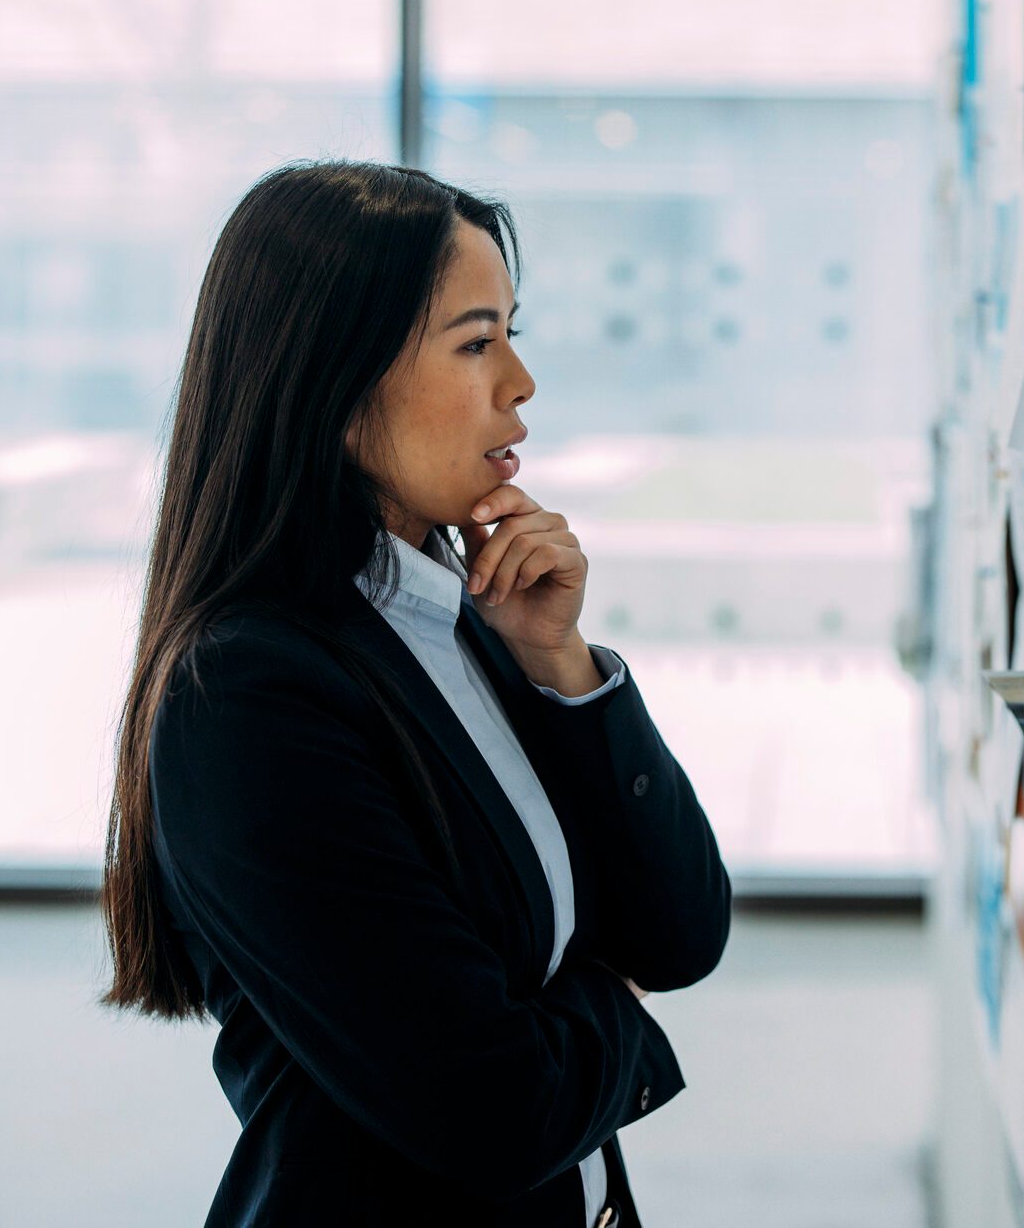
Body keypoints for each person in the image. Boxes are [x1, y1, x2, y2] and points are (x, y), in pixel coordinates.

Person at [97, 159, 733, 1226]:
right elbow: (494, 1111)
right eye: (477, 342)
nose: (520, 383)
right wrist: (608, 1006)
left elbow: (679, 931)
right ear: (335, 381)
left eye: (512, 334)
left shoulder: (457, 614)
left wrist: (561, 667)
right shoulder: (248, 696)